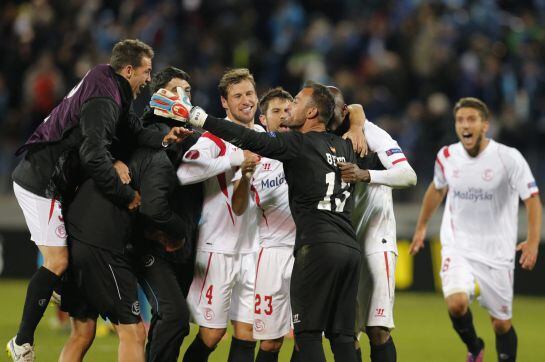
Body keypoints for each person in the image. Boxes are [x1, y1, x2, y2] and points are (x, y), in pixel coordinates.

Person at [153, 80, 362, 362]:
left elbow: (252, 138)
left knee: (307, 336)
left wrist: (196, 116)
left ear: (312, 113)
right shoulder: (344, 145)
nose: (288, 110)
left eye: (294, 104)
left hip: (313, 249)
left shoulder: (293, 145)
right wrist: (359, 123)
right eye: (279, 109)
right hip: (336, 246)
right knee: (340, 338)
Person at [7, 38, 185, 362]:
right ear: (128, 69)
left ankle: (60, 288)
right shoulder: (106, 97)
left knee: (82, 329)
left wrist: (163, 138)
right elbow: (92, 153)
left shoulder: (106, 79)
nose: (148, 78)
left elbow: (127, 130)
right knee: (57, 261)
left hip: (54, 182)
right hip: (41, 181)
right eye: (145, 72)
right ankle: (21, 341)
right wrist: (127, 195)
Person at [409, 97, 541, 362]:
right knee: (456, 304)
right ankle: (475, 346)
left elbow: (533, 199)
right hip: (458, 245)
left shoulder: (508, 158)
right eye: (460, 120)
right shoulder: (447, 156)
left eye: (471, 119)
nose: (465, 125)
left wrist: (533, 241)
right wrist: (421, 227)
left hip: (497, 251)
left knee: (501, 324)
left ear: (485, 126)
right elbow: (437, 188)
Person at [328, 86, 417, 362]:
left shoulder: (372, 133)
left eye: (329, 109)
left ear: (343, 112)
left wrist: (366, 174)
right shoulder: (316, 133)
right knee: (344, 332)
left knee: (377, 328)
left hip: (376, 239)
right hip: (341, 242)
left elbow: (408, 175)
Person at [179, 68, 262, 362]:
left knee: (247, 332)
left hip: (253, 251)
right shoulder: (214, 139)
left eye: (249, 93)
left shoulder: (265, 137)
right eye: (237, 96)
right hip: (217, 250)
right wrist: (235, 159)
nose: (245, 100)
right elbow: (185, 172)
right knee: (212, 335)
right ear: (224, 103)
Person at [133, 66, 197, 362]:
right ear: (159, 95)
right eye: (176, 89)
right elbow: (151, 203)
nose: (183, 96)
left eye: (187, 90)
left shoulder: (192, 137)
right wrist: (176, 232)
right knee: (174, 316)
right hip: (154, 243)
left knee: (171, 322)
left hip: (181, 245)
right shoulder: (149, 134)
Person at [231, 87, 296, 362]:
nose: (283, 116)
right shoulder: (254, 158)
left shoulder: (308, 146)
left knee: (307, 336)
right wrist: (245, 178)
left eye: (287, 110)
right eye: (276, 111)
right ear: (263, 119)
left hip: (305, 250)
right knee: (270, 342)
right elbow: (238, 207)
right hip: (270, 252)